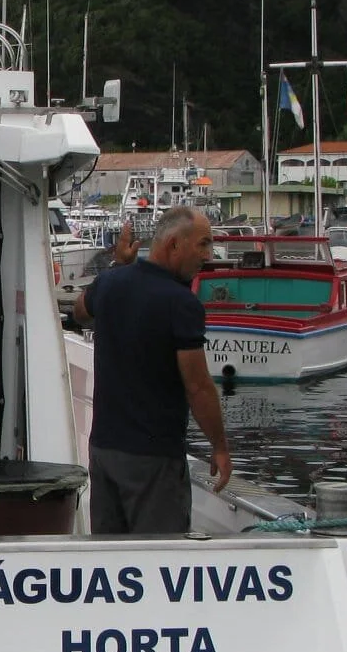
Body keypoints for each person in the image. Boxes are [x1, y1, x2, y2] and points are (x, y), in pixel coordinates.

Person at [73, 208, 231, 535]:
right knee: (161, 558)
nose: (208, 255)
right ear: (174, 245)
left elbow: (79, 311)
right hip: (153, 459)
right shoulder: (181, 304)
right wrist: (219, 447)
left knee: (109, 558)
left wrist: (119, 266)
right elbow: (198, 387)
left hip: (104, 452)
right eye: (203, 244)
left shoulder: (111, 282)